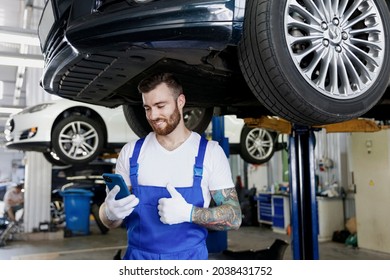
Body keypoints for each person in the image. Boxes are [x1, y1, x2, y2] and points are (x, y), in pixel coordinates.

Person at [99, 72, 242, 260]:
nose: (153, 115)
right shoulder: (131, 153)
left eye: (160, 106)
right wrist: (109, 212)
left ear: (180, 101)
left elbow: (234, 217)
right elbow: (110, 222)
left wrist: (190, 213)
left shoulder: (210, 153)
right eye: (147, 108)